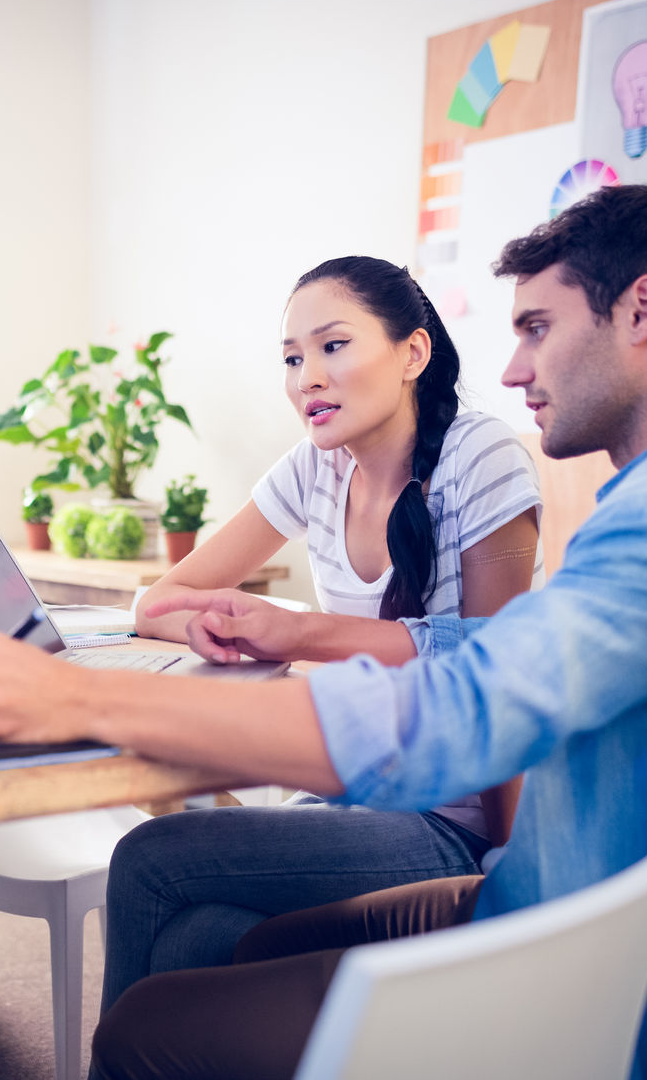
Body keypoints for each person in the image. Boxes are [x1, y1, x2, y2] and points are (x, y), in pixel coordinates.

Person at [0, 185, 647, 1079]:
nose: (515, 366)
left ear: (644, 310)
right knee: (199, 944)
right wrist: (304, 634)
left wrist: (82, 695)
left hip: (594, 979)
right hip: (550, 899)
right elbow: (498, 654)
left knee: (148, 1027)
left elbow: (455, 719)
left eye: (536, 327)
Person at [117, 255, 540, 988]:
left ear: (413, 352)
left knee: (148, 857)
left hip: (451, 823)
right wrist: (203, 624)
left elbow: (500, 676)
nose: (305, 376)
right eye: (291, 357)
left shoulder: (482, 455)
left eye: (332, 345)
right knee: (197, 939)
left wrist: (510, 884)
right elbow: (157, 602)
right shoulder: (316, 467)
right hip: (351, 792)